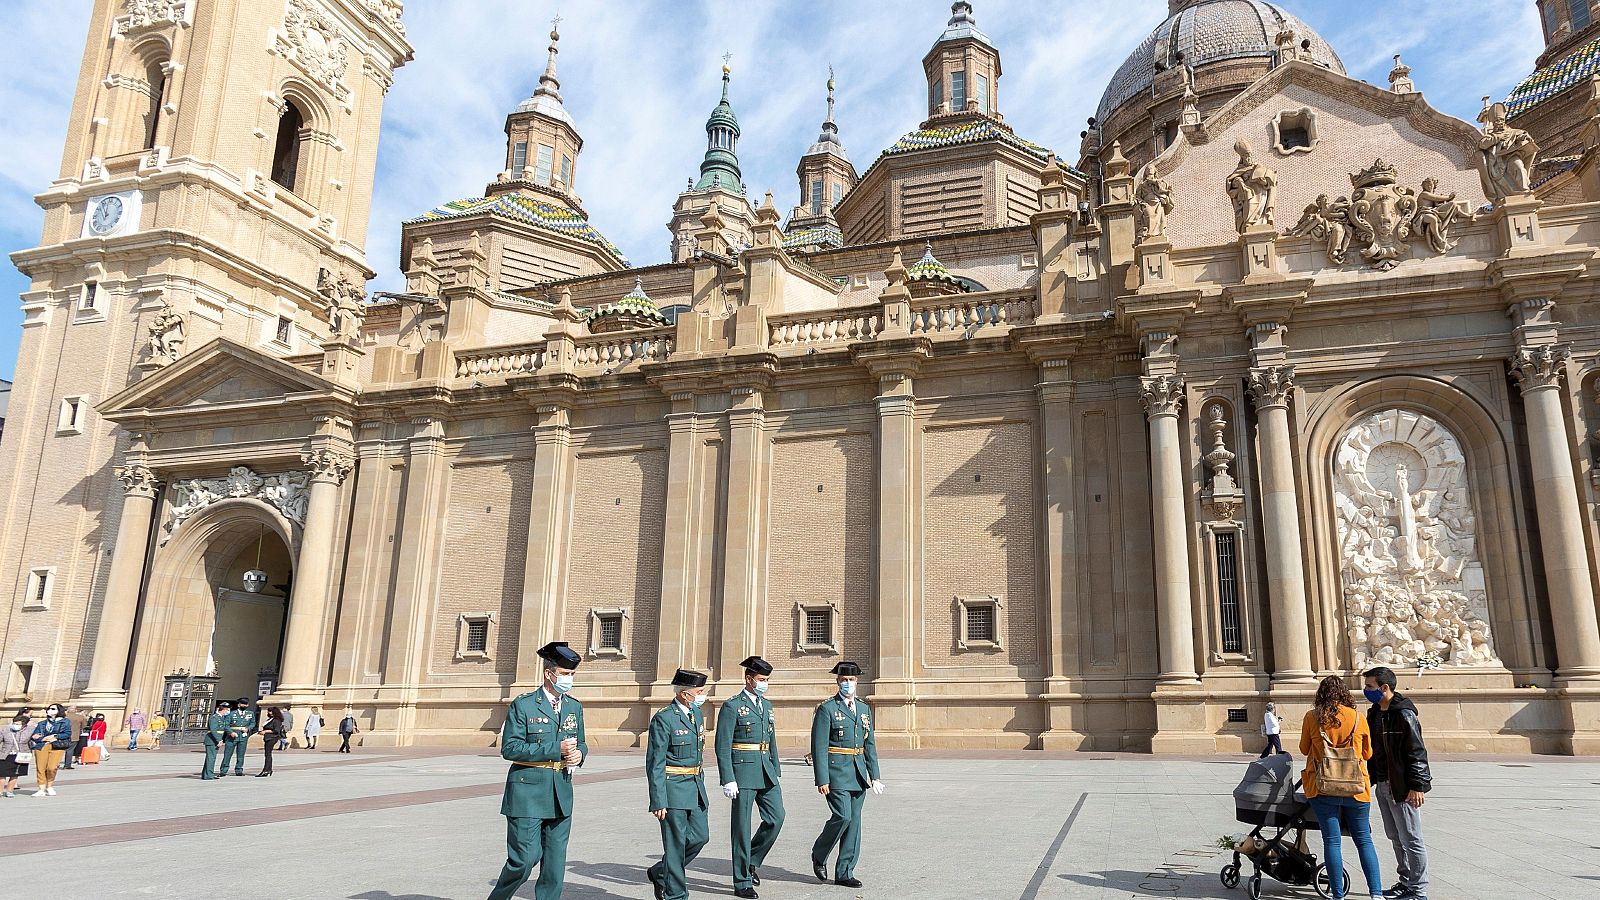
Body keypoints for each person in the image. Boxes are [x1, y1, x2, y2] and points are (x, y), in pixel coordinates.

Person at [487, 641, 587, 900]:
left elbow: (581, 743)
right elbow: (510, 748)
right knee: (524, 860)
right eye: (564, 674)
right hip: (528, 793)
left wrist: (579, 755)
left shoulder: (574, 706)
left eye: (572, 674)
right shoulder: (525, 704)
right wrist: (556, 749)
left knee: (554, 865)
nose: (569, 679)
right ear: (548, 673)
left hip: (560, 792)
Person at [1300, 675, 1384, 900]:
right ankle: (1376, 893)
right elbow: (1367, 753)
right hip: (1356, 788)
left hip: (1323, 787)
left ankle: (1338, 895)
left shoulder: (1312, 717)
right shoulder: (1358, 717)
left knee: (1332, 841)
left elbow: (1304, 749)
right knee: (1364, 840)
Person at [716, 655, 784, 899]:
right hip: (743, 772)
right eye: (761, 679)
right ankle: (742, 880)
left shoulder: (767, 705)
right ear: (749, 679)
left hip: (766, 770)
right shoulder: (732, 706)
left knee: (776, 817)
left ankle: (752, 859)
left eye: (767, 680)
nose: (764, 683)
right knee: (741, 828)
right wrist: (728, 778)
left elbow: (771, 739)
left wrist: (776, 768)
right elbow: (722, 745)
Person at [810, 661, 882, 889]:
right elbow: (819, 747)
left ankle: (845, 871)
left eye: (851, 680)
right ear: (837, 682)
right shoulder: (827, 709)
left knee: (854, 824)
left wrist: (875, 775)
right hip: (837, 773)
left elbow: (869, 744)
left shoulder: (863, 709)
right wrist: (822, 779)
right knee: (843, 816)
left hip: (858, 774)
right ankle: (819, 853)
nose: (848, 684)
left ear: (857, 681)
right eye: (844, 680)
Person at [1365, 667, 1432, 900]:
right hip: (1383, 784)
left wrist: (1418, 786)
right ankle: (1405, 882)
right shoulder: (1374, 714)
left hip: (1402, 786)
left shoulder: (1404, 714)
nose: (1366, 690)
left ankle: (1419, 890)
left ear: (1385, 687)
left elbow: (1417, 751)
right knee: (1395, 837)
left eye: (1370, 686)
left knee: (1412, 838)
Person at [646, 669, 710, 900]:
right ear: (684, 694)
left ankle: (660, 872)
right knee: (675, 845)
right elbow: (655, 762)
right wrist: (658, 800)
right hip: (673, 789)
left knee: (700, 837)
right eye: (698, 692)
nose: (702, 696)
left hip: (695, 786)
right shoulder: (664, 718)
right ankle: (676, 895)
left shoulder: (697, 714)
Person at [28, 704, 73, 796]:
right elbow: (35, 735)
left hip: (56, 746)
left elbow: (67, 734)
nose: (50, 710)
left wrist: (55, 736)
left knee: (52, 767)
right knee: (40, 767)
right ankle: (41, 788)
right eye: (49, 709)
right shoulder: (42, 723)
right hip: (42, 745)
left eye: (53, 709)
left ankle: (49, 786)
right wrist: (42, 738)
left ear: (59, 711)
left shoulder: (65, 722)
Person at [223, 697, 256, 776]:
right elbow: (226, 725)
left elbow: (253, 723)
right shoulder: (231, 713)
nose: (245, 705)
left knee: (241, 754)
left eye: (246, 704)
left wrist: (248, 728)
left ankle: (239, 770)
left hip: (243, 736)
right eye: (243, 704)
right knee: (227, 754)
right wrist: (230, 732)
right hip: (232, 736)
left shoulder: (250, 713)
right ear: (239, 705)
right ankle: (223, 770)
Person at [1, 714, 32, 797]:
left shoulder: (30, 731)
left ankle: (9, 791)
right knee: (2, 774)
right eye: (14, 723)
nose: (15, 725)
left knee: (15, 774)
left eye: (18, 724)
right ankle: (0, 791)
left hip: (20, 755)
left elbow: (32, 742)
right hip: (6, 754)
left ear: (24, 725)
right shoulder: (6, 730)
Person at [202, 700, 231, 780]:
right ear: (223, 709)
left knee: (210, 758)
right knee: (211, 758)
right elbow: (213, 730)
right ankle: (209, 775)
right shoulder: (214, 718)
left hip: (215, 740)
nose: (227, 711)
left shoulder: (221, 718)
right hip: (212, 740)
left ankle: (206, 774)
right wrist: (219, 740)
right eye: (227, 710)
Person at [258, 707, 285, 777]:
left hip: (272, 738)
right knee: (268, 754)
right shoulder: (270, 719)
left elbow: (276, 730)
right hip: (268, 738)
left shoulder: (276, 720)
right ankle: (269, 769)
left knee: (268, 754)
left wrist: (265, 731)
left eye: (269, 711)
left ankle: (266, 770)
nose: (268, 713)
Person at [61, 704, 86, 770]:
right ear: (75, 710)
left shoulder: (63, 717)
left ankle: (55, 764)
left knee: (58, 750)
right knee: (70, 750)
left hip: (62, 735)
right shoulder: (80, 717)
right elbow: (83, 726)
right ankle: (67, 765)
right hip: (74, 736)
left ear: (67, 710)